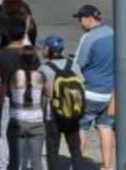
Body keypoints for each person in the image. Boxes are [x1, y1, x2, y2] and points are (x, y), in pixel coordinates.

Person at [72, 5, 114, 170]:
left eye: (81, 19)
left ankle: (77, 164)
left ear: (89, 19)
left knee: (81, 128)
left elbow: (78, 65)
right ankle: (107, 166)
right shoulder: (113, 33)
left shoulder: (88, 38)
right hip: (109, 93)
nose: (80, 23)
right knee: (106, 127)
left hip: (90, 92)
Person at [39, 35, 84, 170]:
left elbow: (42, 92)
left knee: (52, 149)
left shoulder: (44, 68)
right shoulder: (73, 65)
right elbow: (81, 84)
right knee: (75, 148)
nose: (42, 50)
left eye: (44, 47)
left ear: (50, 50)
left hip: (52, 114)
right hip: (72, 112)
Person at [0, 17, 30, 170]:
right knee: (26, 133)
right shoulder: (29, 53)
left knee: (4, 133)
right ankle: (24, 164)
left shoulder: (1, 54)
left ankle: (3, 164)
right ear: (23, 34)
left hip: (8, 97)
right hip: (27, 98)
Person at [6, 45, 48, 170]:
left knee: (14, 161)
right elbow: (48, 93)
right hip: (36, 122)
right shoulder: (41, 76)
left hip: (16, 122)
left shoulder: (13, 76)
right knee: (36, 162)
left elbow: (6, 93)